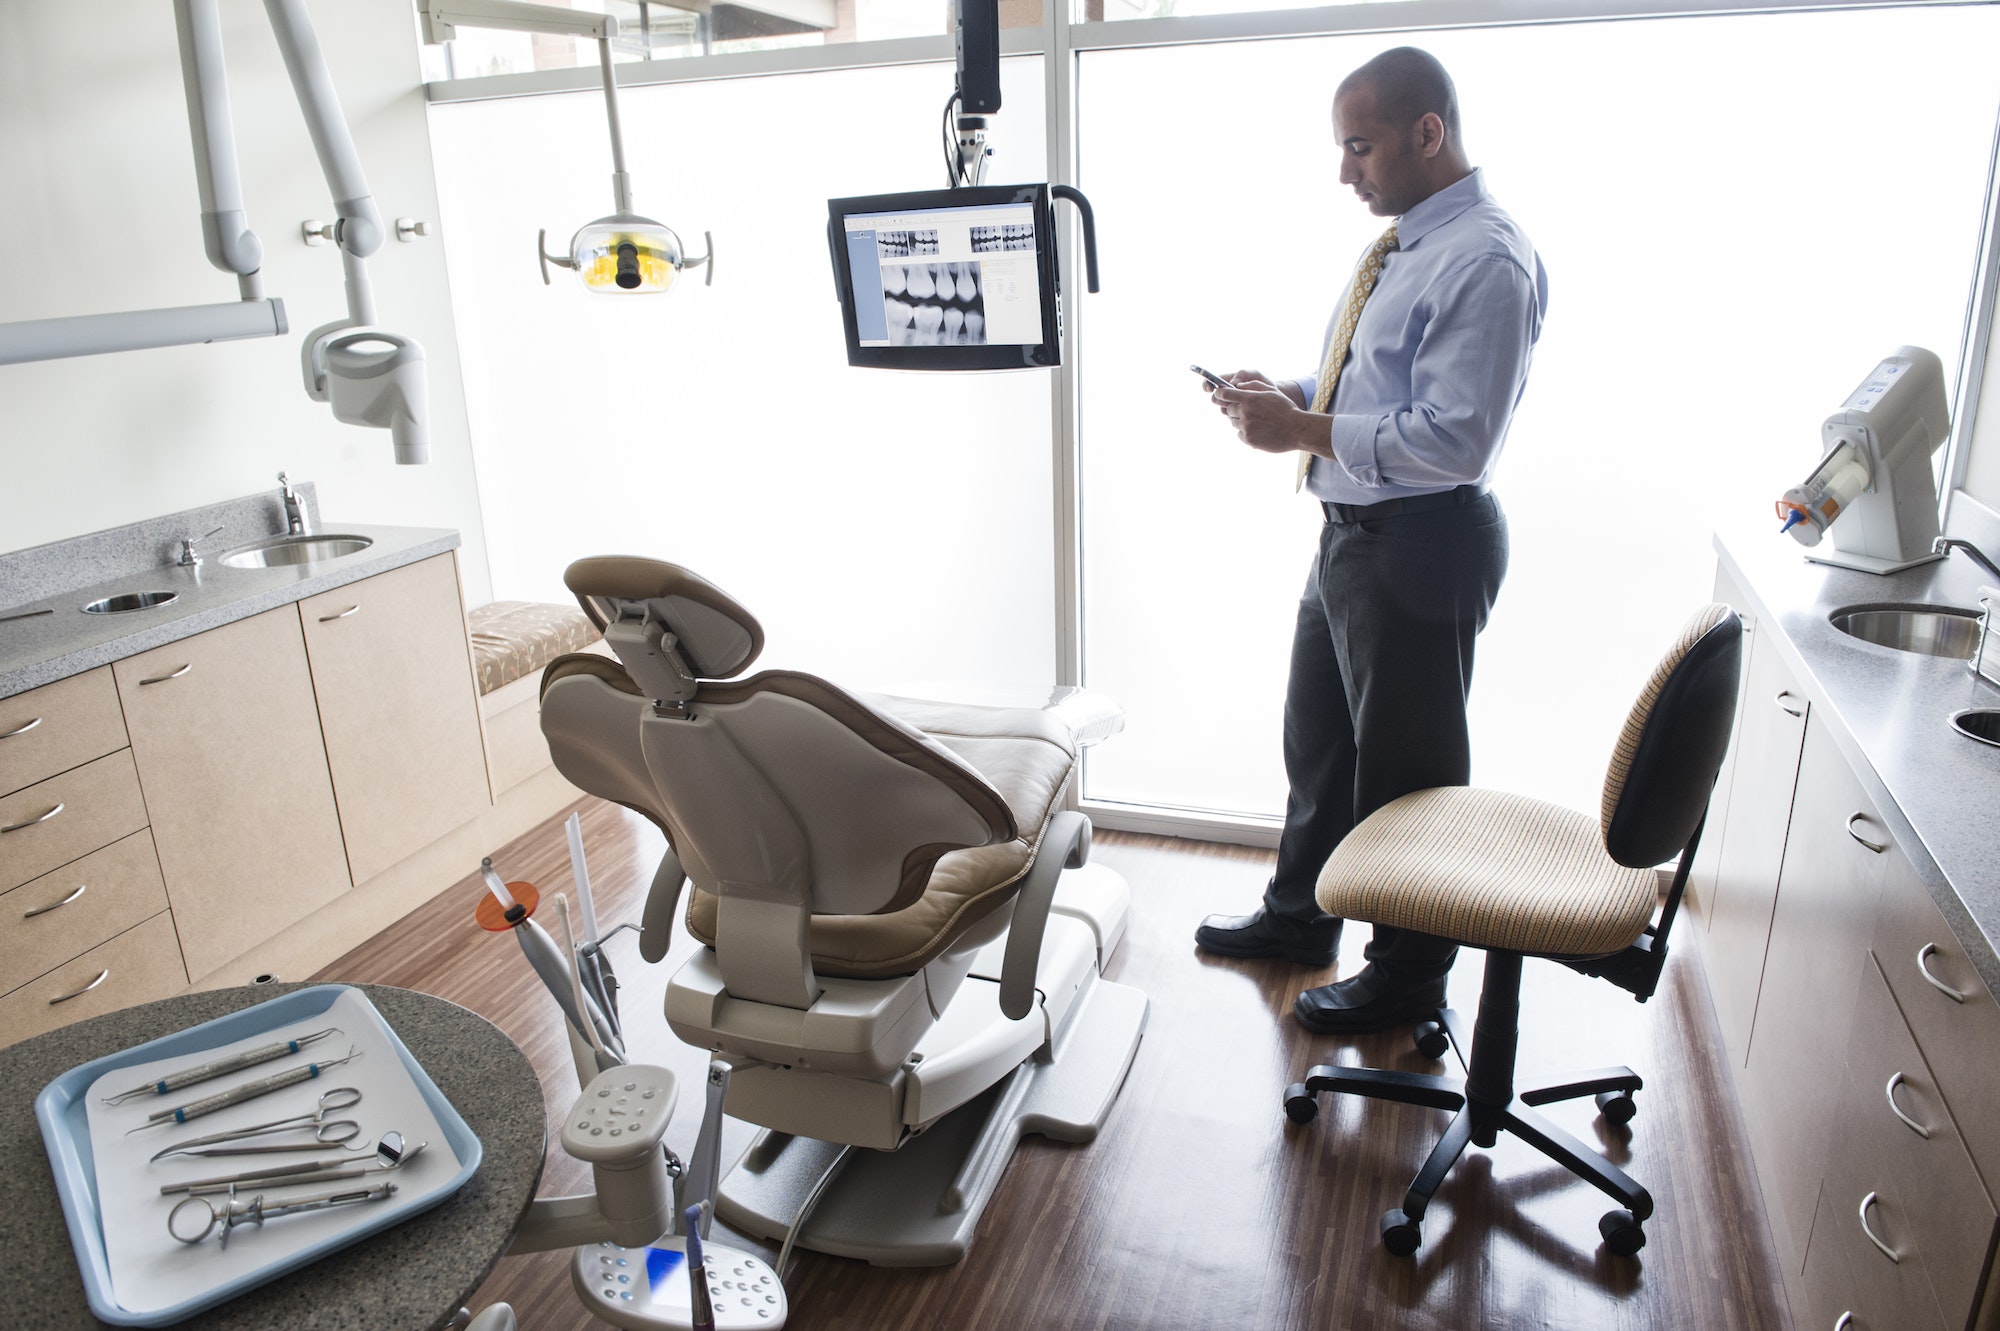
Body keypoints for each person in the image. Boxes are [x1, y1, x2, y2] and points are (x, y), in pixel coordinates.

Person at [1194, 46, 1548, 1034]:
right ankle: (1300, 918)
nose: (1344, 171)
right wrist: (1292, 396)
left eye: (1359, 147)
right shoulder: (1402, 247)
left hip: (1419, 541)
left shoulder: (1481, 256)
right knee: (1318, 740)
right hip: (1351, 536)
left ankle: (1407, 977)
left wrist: (1302, 432)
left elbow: (1452, 438)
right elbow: (1376, 388)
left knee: (1405, 775)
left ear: (1425, 133)